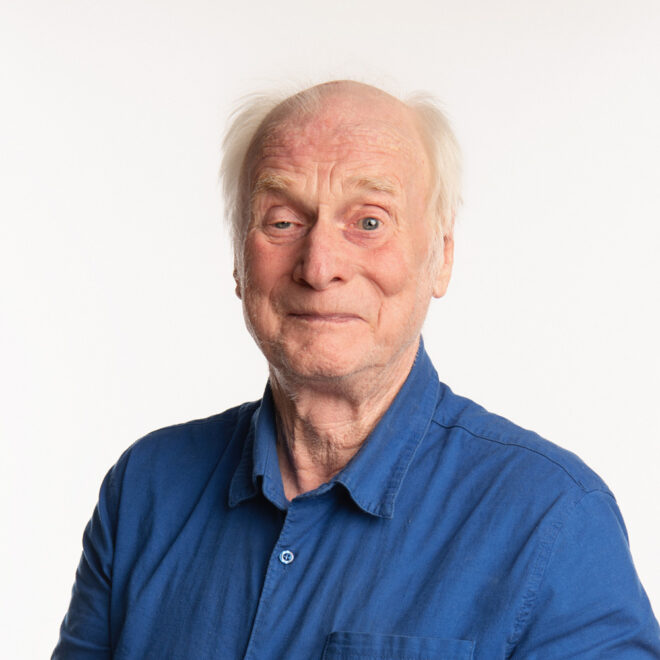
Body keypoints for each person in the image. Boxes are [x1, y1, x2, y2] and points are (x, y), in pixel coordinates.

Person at [53, 80, 660, 659]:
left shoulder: (554, 519)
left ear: (441, 257)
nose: (320, 266)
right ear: (238, 259)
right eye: (282, 221)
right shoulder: (144, 490)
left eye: (369, 221)